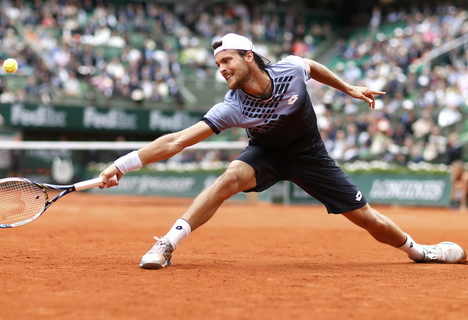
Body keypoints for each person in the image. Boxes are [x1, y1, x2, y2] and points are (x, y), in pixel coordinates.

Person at [99, 33, 466, 269]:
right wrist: (122, 164)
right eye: (218, 65)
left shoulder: (290, 69)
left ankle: (420, 251)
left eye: (227, 60)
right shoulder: (232, 106)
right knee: (228, 179)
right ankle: (167, 244)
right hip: (267, 154)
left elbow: (314, 67)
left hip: (310, 155)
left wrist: (348, 88)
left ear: (248, 55)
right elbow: (177, 140)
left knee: (367, 218)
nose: (222, 69)